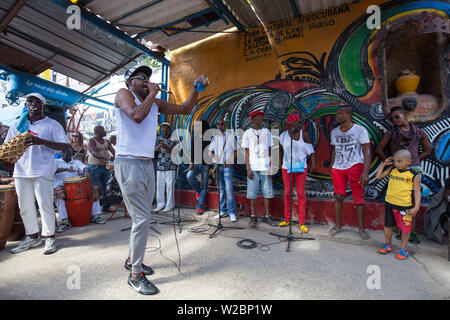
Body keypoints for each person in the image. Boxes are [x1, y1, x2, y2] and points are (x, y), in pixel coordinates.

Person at [114, 64, 208, 295]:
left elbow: (185, 109)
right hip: (129, 162)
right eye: (141, 78)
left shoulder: (153, 103)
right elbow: (135, 115)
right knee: (142, 219)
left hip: (147, 163)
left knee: (143, 217)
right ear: (130, 82)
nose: (146, 81)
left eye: (149, 78)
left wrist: (196, 88)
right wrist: (153, 93)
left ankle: (131, 259)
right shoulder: (123, 94)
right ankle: (135, 275)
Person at [4, 93, 69, 254]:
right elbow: (7, 147)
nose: (33, 104)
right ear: (26, 105)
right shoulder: (18, 125)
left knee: (45, 204)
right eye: (30, 101)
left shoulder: (52, 125)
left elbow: (64, 146)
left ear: (43, 106)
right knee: (25, 206)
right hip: (21, 170)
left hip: (43, 169)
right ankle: (32, 237)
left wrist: (41, 142)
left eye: (37, 102)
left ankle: (49, 237)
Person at [375, 106, 431, 244]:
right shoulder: (391, 133)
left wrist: (415, 161)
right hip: (398, 170)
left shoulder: (419, 132)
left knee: (413, 200)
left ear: (406, 115)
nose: (395, 120)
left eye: (397, 117)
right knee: (398, 198)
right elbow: (379, 149)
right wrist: (389, 162)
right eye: (393, 118)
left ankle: (411, 231)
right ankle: (398, 227)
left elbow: (427, 150)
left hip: (414, 169)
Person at [328, 105, 371, 240]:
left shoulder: (360, 130)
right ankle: (338, 225)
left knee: (358, 199)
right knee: (339, 197)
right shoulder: (334, 132)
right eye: (337, 114)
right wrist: (332, 166)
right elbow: (335, 150)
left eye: (340, 113)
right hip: (338, 168)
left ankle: (361, 228)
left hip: (355, 166)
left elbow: (367, 150)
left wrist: (366, 172)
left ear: (348, 114)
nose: (337, 116)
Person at [375, 150, 421, 260]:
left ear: (408, 161)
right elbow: (378, 177)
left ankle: (403, 249)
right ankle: (388, 245)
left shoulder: (414, 175)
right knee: (388, 225)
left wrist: (416, 207)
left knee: (405, 229)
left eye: (399, 161)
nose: (396, 164)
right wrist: (384, 165)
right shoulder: (392, 170)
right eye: (395, 161)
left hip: (405, 206)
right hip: (390, 203)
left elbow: (417, 192)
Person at [278, 113, 315, 232]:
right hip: (287, 168)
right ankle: (287, 219)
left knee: (300, 194)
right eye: (297, 122)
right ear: (290, 124)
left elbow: (311, 151)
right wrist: (280, 162)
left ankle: (302, 222)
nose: (300, 124)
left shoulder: (304, 134)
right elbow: (279, 149)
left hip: (301, 168)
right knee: (287, 193)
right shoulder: (283, 136)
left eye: (300, 122)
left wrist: (312, 165)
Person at [54, 150, 106, 233]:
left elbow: (85, 168)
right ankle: (64, 221)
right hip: (61, 185)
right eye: (66, 151)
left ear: (72, 154)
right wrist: (67, 169)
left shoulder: (76, 162)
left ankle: (95, 216)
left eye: (69, 151)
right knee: (59, 195)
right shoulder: (56, 162)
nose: (67, 153)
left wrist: (86, 172)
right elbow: (53, 170)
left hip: (76, 186)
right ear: (62, 153)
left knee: (94, 190)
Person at [242, 110, 277, 228]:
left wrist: (272, 167)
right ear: (253, 120)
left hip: (265, 167)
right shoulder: (247, 133)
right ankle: (253, 216)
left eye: (261, 117)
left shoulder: (267, 132)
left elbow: (271, 149)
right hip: (253, 167)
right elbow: (246, 152)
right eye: (257, 117)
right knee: (252, 193)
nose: (260, 119)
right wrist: (248, 169)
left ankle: (268, 215)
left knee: (267, 192)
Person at [208, 118, 238, 222]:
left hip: (227, 167)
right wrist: (214, 157)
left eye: (222, 124)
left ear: (225, 126)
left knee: (229, 189)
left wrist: (230, 159)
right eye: (218, 124)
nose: (220, 125)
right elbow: (209, 152)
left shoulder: (230, 137)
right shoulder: (214, 138)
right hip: (218, 166)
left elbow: (237, 150)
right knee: (221, 189)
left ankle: (232, 212)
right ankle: (222, 211)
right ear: (217, 126)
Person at [87, 126, 115, 212]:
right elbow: (94, 153)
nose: (105, 132)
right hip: (94, 166)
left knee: (106, 187)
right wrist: (107, 157)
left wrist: (115, 156)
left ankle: (106, 206)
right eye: (103, 130)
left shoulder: (106, 141)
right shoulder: (91, 141)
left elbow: (113, 151)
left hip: (104, 166)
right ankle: (95, 210)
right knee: (95, 188)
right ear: (98, 132)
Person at [186, 120, 211, 215]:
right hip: (196, 163)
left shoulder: (209, 138)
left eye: (198, 126)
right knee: (189, 176)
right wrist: (191, 162)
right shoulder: (195, 137)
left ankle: (200, 207)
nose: (196, 128)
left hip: (206, 165)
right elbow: (192, 151)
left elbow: (211, 152)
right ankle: (199, 192)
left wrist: (211, 166)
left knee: (205, 186)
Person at [153, 122, 177, 213]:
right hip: (160, 165)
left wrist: (167, 147)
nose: (164, 131)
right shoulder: (157, 138)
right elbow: (153, 151)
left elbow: (176, 151)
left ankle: (169, 205)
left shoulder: (174, 138)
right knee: (160, 185)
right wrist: (155, 149)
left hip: (170, 165)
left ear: (169, 130)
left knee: (170, 186)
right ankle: (160, 204)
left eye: (165, 129)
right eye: (162, 129)